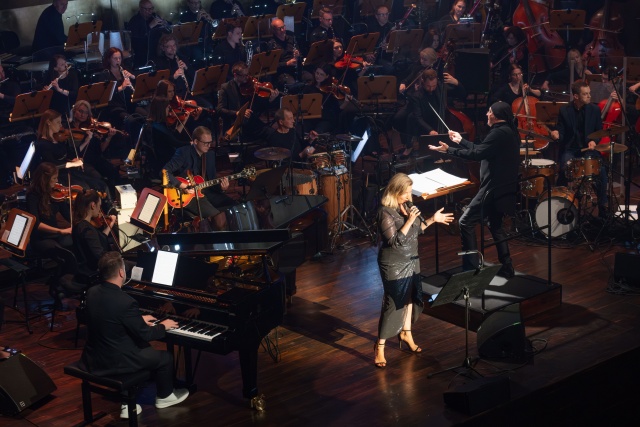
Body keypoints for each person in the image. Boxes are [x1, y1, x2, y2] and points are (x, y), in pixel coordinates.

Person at [80, 251, 189, 420]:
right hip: (117, 360)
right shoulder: (126, 301)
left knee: (138, 347)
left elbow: (108, 318)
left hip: (93, 357)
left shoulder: (92, 292)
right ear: (121, 273)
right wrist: (163, 325)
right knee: (165, 357)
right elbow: (146, 335)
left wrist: (137, 319)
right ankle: (165, 396)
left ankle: (126, 404)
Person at [429, 101, 520, 276]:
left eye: (490, 111)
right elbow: (482, 149)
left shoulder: (499, 133)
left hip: (492, 189)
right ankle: (507, 267)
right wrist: (461, 141)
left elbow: (477, 154)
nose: (487, 114)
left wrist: (449, 150)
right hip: (502, 188)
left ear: (496, 116)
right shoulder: (507, 131)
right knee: (496, 225)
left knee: (465, 221)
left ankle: (471, 269)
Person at [374, 173, 453, 368]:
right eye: (406, 193)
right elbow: (393, 242)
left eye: (410, 193)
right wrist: (409, 220)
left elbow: (418, 229)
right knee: (393, 302)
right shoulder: (385, 212)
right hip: (393, 263)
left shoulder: (407, 206)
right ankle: (380, 347)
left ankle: (406, 333)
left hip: (412, 258)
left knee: (410, 297)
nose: (409, 197)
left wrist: (432, 219)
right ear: (395, 191)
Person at [550, 81, 608, 216]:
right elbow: (562, 131)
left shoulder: (594, 109)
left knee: (602, 172)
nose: (589, 96)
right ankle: (561, 204)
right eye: (585, 94)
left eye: (589, 93)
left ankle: (602, 206)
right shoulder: (565, 110)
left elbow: (599, 131)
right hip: (571, 149)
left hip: (589, 149)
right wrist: (556, 133)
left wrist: (594, 140)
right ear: (576, 96)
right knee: (564, 169)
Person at [163, 126, 235, 230]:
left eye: (210, 142)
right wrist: (182, 185)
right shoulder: (183, 152)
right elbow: (164, 172)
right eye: (205, 143)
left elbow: (212, 180)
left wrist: (222, 188)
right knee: (219, 218)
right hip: (188, 195)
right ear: (195, 141)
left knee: (235, 207)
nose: (209, 146)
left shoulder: (210, 155)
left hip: (207, 192)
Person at [26, 162, 80, 298]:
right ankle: (58, 285)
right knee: (66, 256)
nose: (57, 182)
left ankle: (68, 282)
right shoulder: (32, 196)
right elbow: (36, 224)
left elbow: (68, 216)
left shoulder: (56, 194)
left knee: (78, 244)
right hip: (40, 238)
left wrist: (80, 218)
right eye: (54, 179)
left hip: (55, 235)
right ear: (45, 179)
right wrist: (60, 231)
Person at [407, 68, 466, 155]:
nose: (431, 89)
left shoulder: (441, 87)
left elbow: (463, 94)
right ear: (423, 81)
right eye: (428, 86)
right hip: (427, 125)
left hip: (444, 121)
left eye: (433, 86)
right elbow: (418, 117)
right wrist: (430, 130)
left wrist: (457, 83)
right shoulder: (416, 96)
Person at [72, 190, 117, 271]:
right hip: (96, 270)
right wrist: (117, 257)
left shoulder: (78, 225)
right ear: (93, 205)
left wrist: (111, 224)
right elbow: (100, 257)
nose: (100, 209)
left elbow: (100, 238)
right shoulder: (87, 230)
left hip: (85, 268)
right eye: (99, 205)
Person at [128, 0, 170, 68]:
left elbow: (168, 31)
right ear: (140, 8)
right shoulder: (134, 20)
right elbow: (137, 36)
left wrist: (165, 23)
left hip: (156, 51)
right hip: (141, 54)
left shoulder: (154, 17)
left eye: (151, 8)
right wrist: (150, 26)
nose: (150, 11)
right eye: (147, 9)